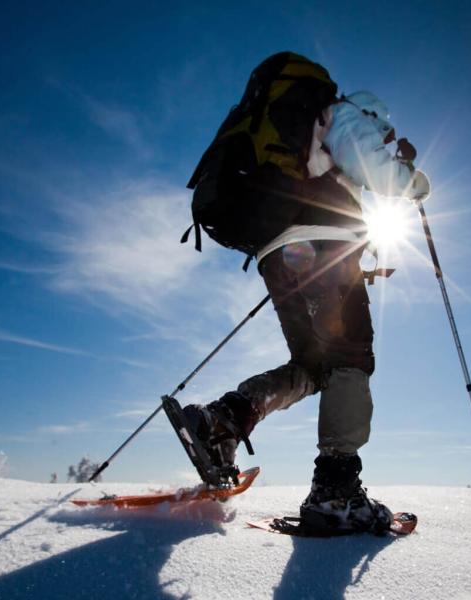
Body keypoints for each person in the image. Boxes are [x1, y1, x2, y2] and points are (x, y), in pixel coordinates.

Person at [183, 83, 430, 534]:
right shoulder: (347, 114)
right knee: (350, 358)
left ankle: (224, 420)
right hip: (321, 245)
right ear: (374, 115)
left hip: (276, 254)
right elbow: (369, 163)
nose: (386, 137)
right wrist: (411, 181)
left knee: (314, 367)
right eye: (385, 130)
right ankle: (336, 490)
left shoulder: (305, 135)